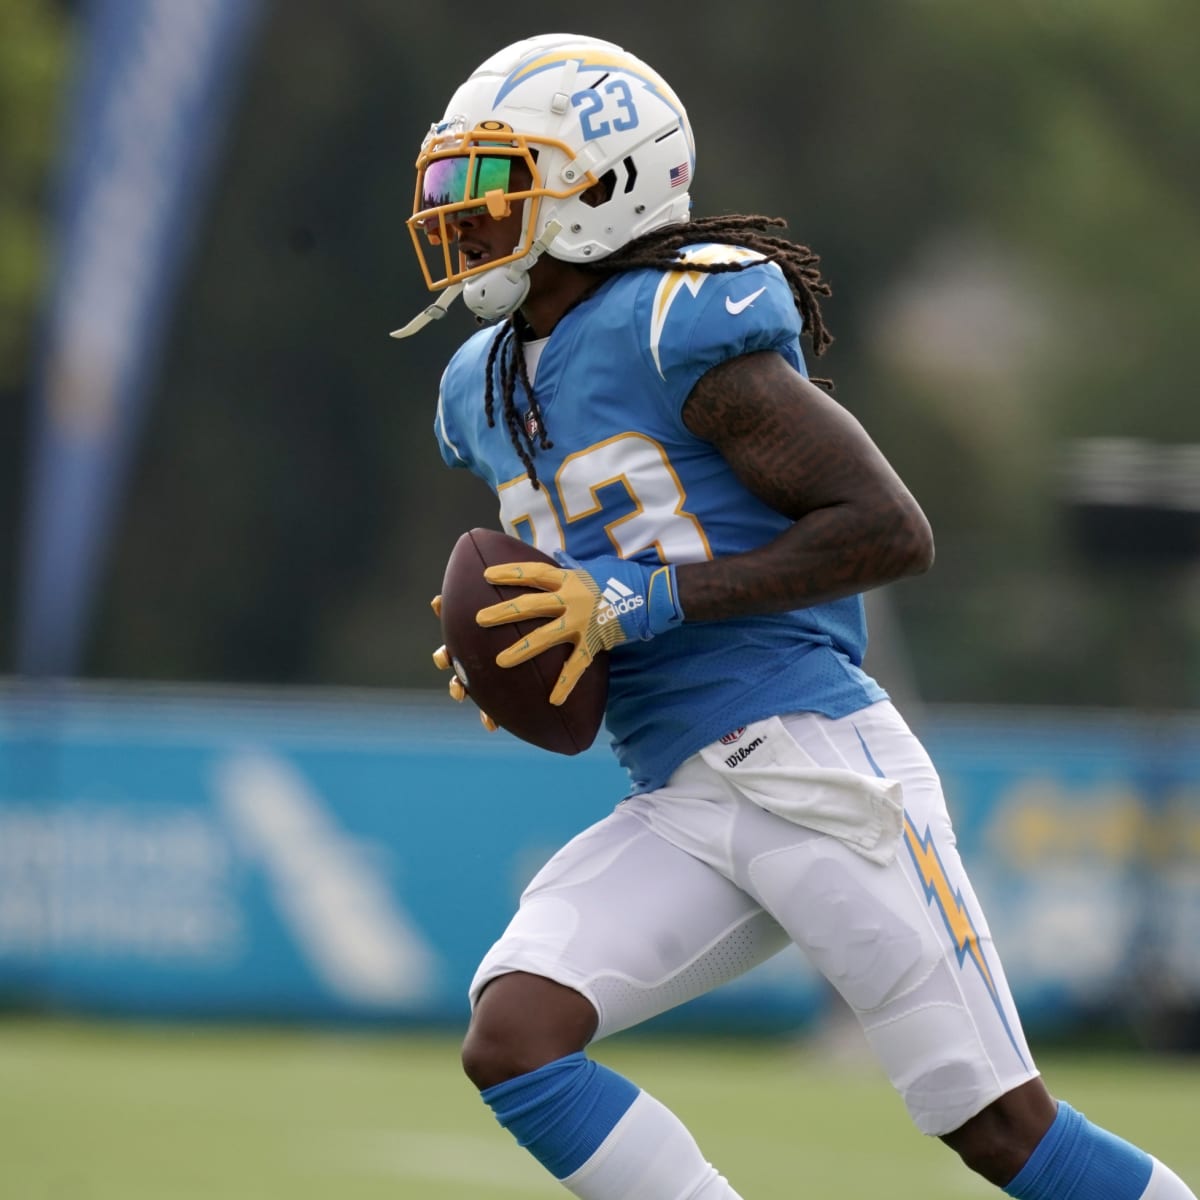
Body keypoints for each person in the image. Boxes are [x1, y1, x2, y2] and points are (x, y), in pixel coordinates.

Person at [394, 32, 1196, 1200]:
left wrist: (633, 602)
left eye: (495, 182)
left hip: (820, 770)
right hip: (677, 794)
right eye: (455, 187)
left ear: (603, 182)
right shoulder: (485, 386)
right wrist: (525, 641)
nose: (464, 215)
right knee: (514, 1038)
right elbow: (584, 581)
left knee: (1003, 1131)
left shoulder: (679, 320)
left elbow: (886, 529)